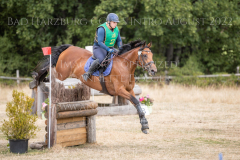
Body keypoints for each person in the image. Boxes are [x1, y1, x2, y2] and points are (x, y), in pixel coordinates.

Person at [82, 13, 123, 81]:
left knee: (120, 56)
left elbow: (119, 40)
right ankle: (88, 73)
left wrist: (121, 48)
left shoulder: (116, 29)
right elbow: (100, 42)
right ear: (109, 22)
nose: (115, 24)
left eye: (116, 22)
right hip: (99, 47)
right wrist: (108, 49)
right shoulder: (101, 29)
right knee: (101, 59)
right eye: (114, 22)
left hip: (111, 48)